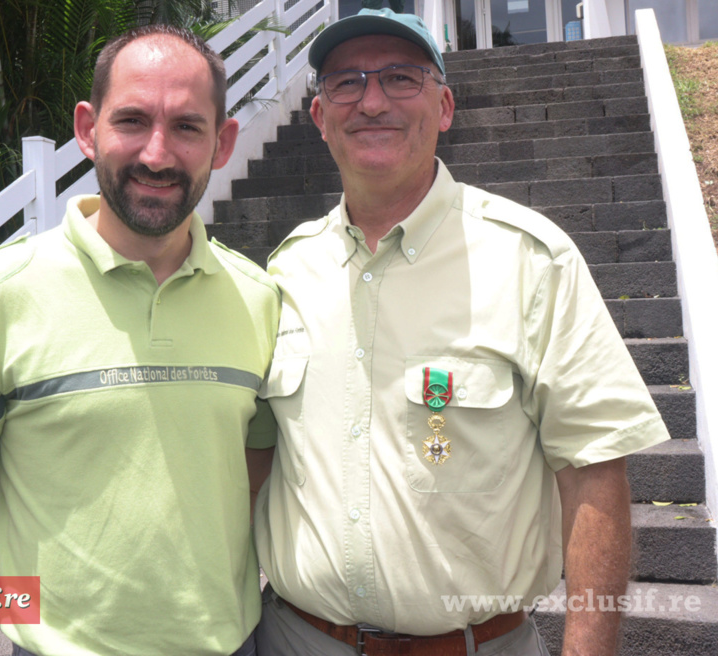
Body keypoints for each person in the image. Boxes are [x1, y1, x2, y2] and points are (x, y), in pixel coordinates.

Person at [253, 9, 671, 656]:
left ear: (444, 106)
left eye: (400, 78)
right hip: (296, 639)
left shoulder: (531, 260)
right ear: (319, 117)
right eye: (345, 83)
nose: (371, 101)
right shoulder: (286, 270)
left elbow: (594, 472)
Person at [0, 25, 279, 656]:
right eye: (132, 120)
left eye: (187, 126)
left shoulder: (259, 299)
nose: (156, 155)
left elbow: (254, 481)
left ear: (224, 142)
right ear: (87, 128)